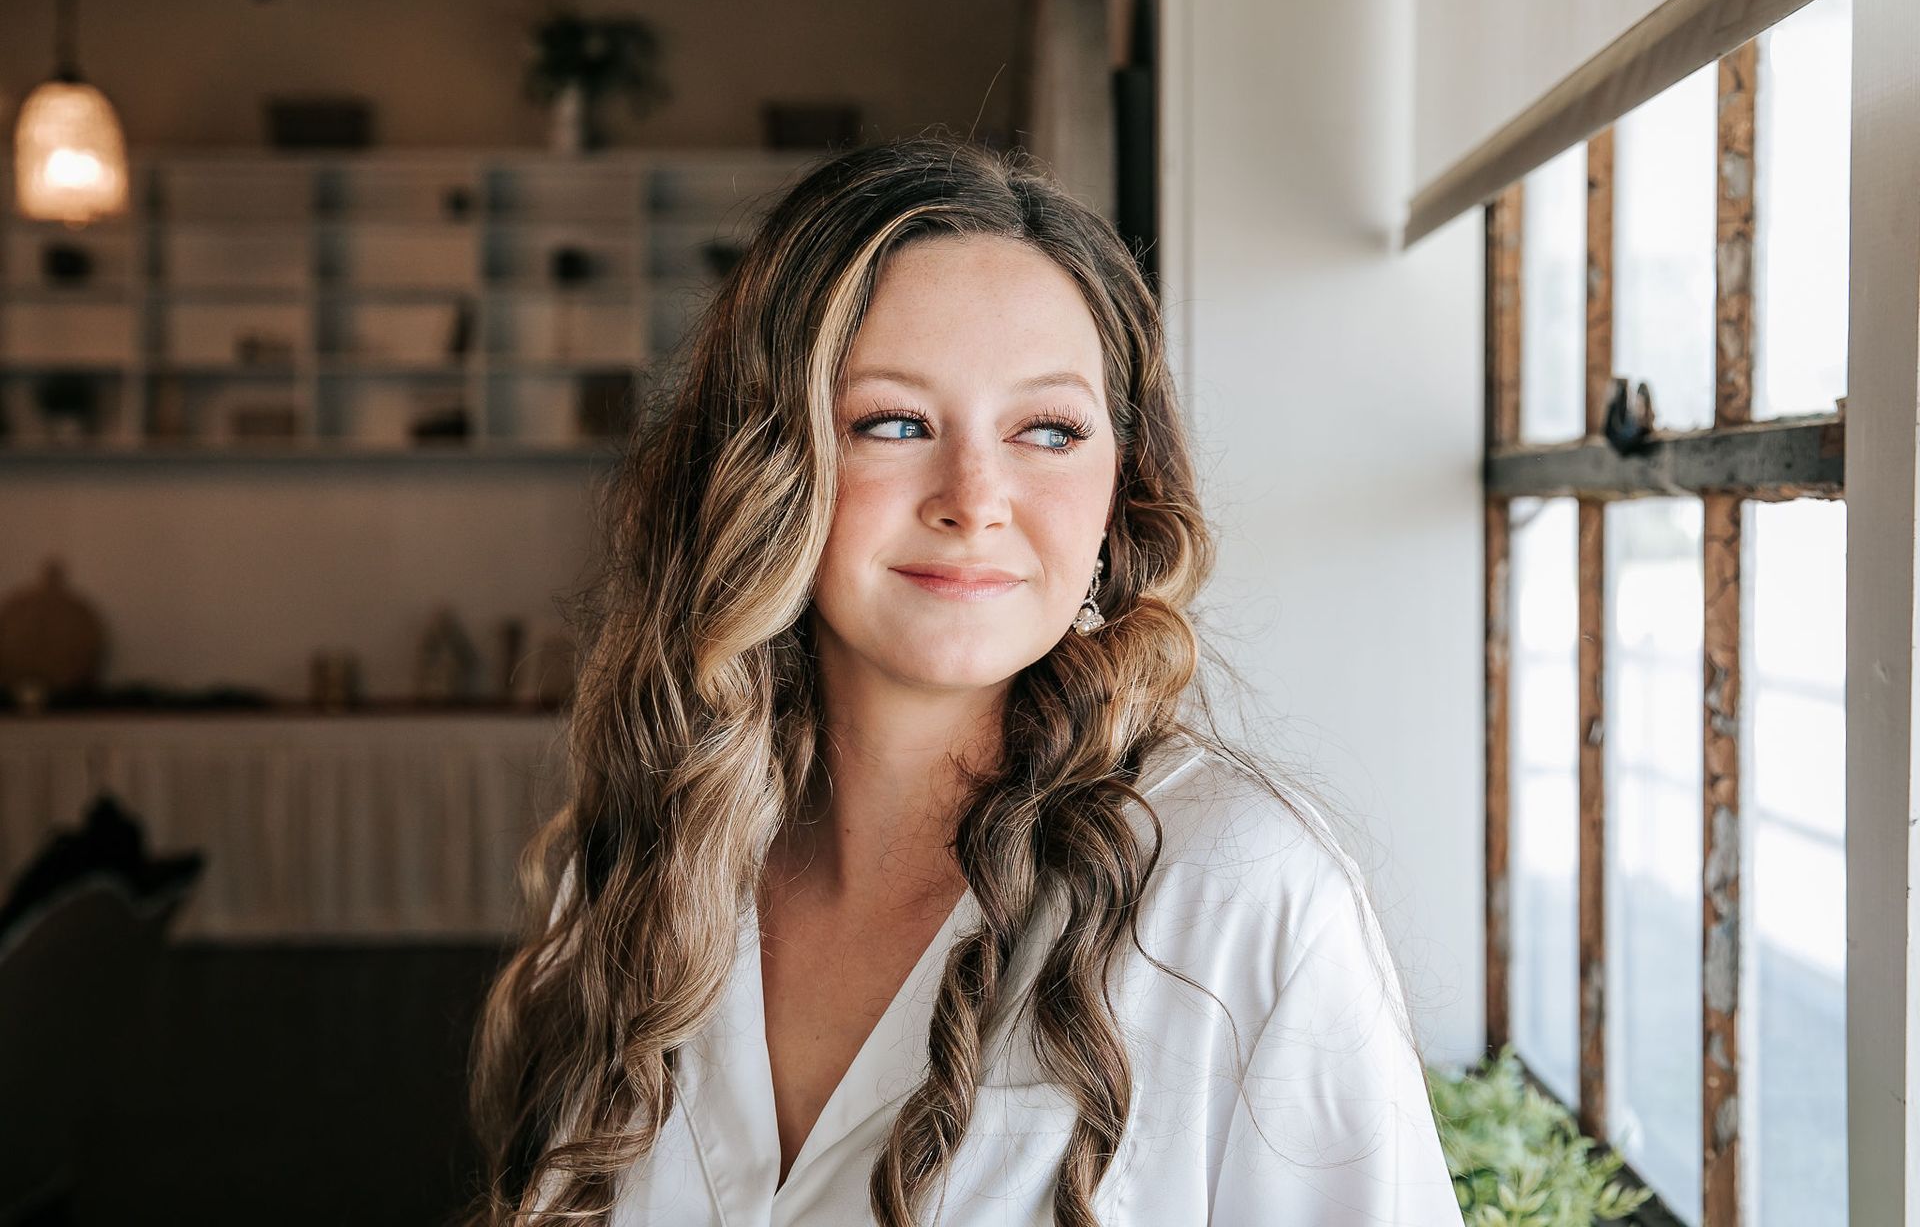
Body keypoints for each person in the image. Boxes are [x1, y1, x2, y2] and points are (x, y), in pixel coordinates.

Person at [460, 138, 1462, 1226]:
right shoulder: (646, 864)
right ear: (763, 466)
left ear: (1120, 492)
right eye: (894, 421)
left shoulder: (1242, 897)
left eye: (1048, 429)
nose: (975, 497)